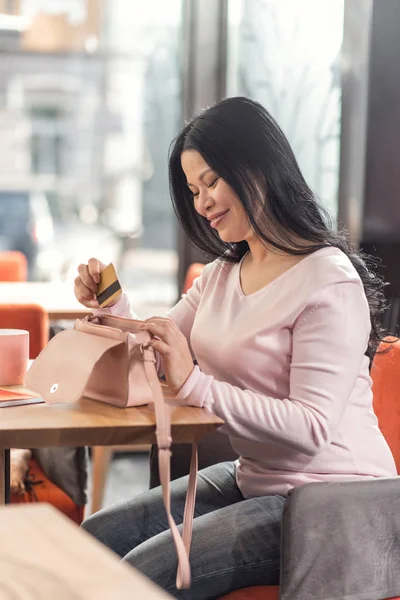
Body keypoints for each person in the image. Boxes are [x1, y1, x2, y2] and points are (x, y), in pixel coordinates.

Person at [74, 97, 396, 599]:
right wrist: (110, 302)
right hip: (258, 477)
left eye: (211, 182)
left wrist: (195, 384)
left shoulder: (327, 281)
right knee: (92, 541)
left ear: (257, 169)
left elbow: (310, 430)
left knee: (137, 574)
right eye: (192, 189)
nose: (201, 202)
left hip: (333, 502)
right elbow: (156, 352)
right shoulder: (223, 274)